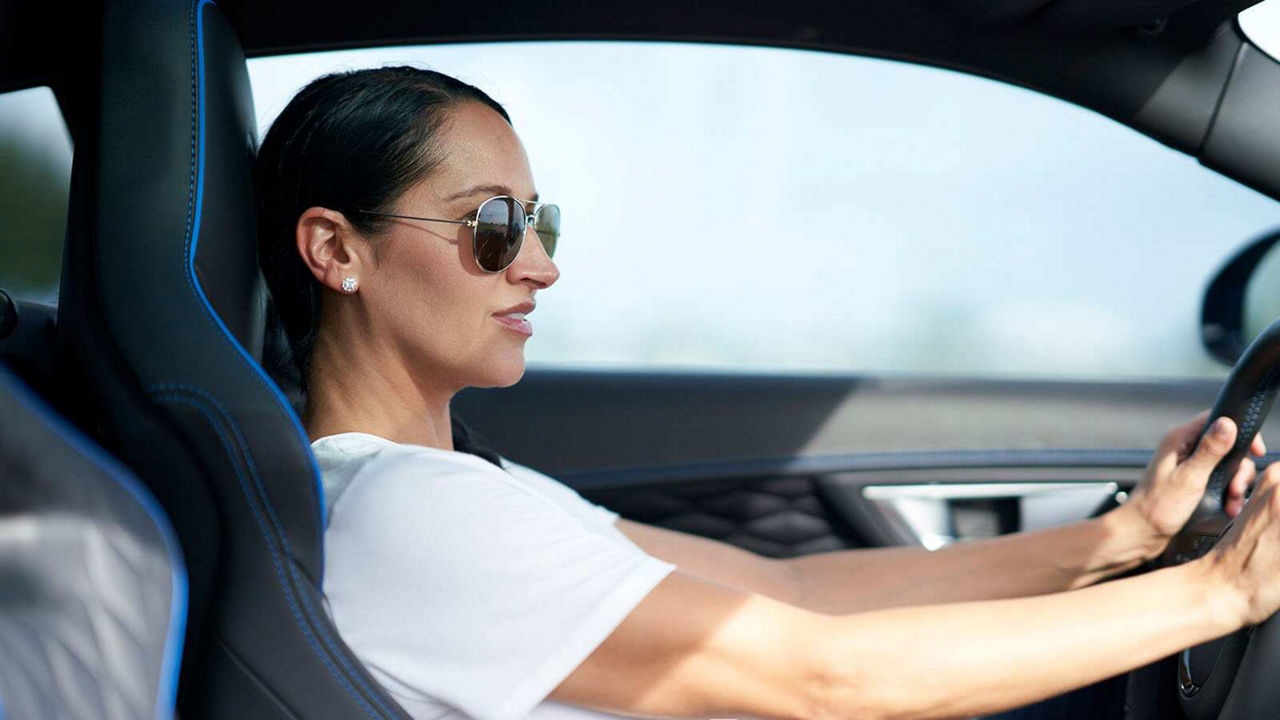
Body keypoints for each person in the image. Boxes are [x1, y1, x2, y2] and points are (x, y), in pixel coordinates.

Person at [254, 65, 1280, 720]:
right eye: (489, 228)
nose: (539, 267)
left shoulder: (456, 486)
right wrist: (1214, 593)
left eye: (538, 224)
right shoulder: (412, 512)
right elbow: (822, 679)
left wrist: (1125, 539)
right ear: (336, 250)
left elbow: (785, 593)